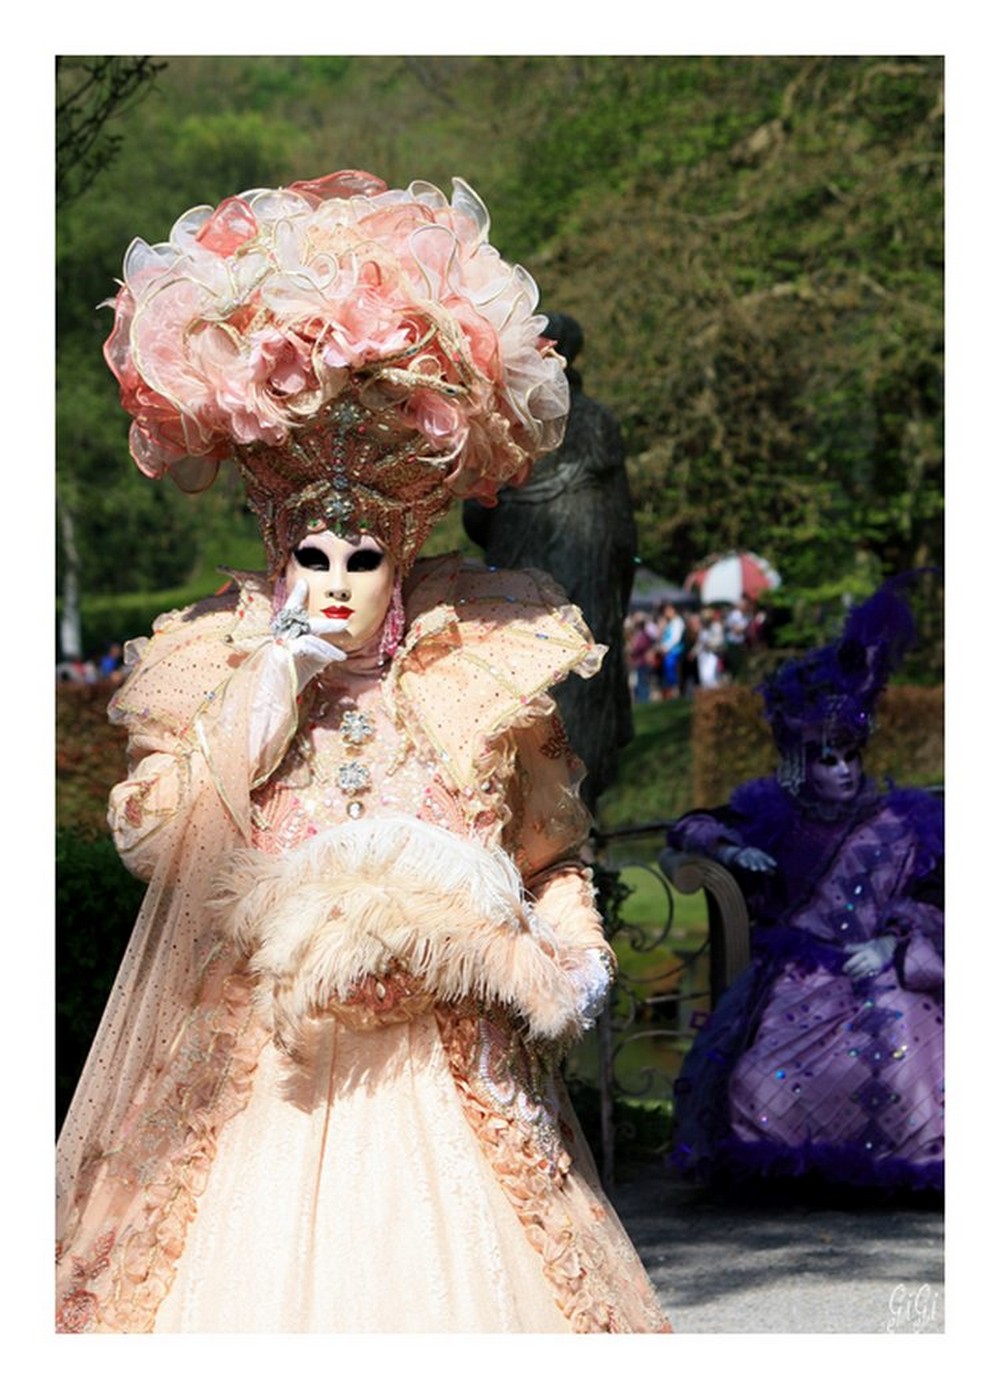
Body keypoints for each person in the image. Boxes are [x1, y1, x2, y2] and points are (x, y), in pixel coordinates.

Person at [55, 169, 670, 1334]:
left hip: (452, 1088)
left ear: (403, 559)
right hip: (257, 1086)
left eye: (362, 560)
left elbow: (548, 859)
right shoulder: (217, 674)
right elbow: (162, 847)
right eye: (314, 561)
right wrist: (271, 684)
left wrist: (567, 957)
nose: (335, 587)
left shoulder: (476, 682)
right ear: (281, 557)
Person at [666, 579, 943, 1192]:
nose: (841, 770)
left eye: (849, 755)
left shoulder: (902, 823)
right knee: (759, 1078)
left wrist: (894, 944)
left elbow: (932, 899)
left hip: (881, 970)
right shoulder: (776, 814)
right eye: (826, 757)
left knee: (911, 1056)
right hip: (796, 978)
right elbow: (694, 826)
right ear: (800, 759)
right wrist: (734, 847)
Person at [462, 312, 637, 808]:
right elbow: (624, 530)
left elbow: (476, 513)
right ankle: (577, 823)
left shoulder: (509, 424)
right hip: (589, 577)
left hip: (527, 577)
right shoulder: (596, 421)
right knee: (577, 682)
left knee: (527, 686)